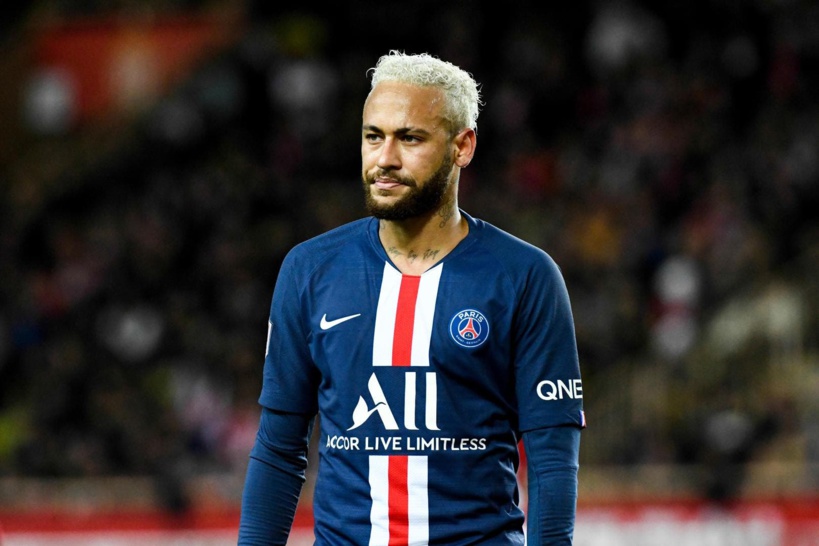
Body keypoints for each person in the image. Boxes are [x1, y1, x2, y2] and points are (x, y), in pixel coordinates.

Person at [238, 50, 585, 545]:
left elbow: (552, 461)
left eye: (410, 138)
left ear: (462, 146)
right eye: (373, 136)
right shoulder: (309, 269)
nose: (385, 158)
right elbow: (278, 449)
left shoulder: (525, 276)